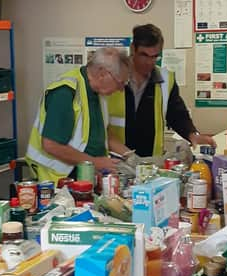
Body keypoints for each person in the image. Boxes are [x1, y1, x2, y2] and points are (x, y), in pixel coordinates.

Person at [108, 24, 216, 158]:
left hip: (150, 162)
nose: (149, 62)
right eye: (144, 55)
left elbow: (177, 114)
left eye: (154, 56)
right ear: (133, 49)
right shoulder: (112, 77)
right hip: (115, 161)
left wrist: (192, 134)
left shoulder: (166, 79)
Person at [25, 47, 131, 184]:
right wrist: (95, 162)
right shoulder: (65, 92)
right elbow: (51, 145)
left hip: (86, 177)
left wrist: (130, 156)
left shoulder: (99, 94)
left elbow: (103, 133)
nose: (121, 89)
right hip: (57, 181)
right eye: (120, 82)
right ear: (103, 73)